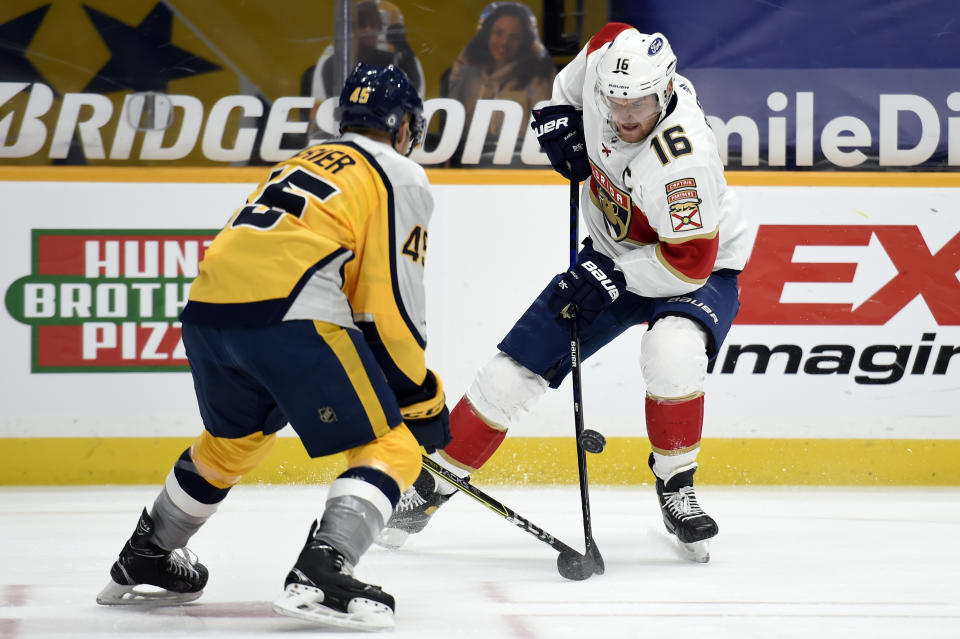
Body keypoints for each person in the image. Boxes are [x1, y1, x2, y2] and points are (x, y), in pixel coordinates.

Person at [377, 24, 751, 563]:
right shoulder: (607, 70)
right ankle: (433, 485)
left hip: (697, 263)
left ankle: (675, 484)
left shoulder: (682, 162)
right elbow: (609, 34)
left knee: (672, 352)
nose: (624, 117)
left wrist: (614, 280)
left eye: (639, 105)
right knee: (513, 369)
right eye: (615, 102)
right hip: (615, 249)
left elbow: (687, 264)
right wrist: (557, 115)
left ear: (666, 91)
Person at [95, 63, 449, 632]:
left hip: (209, 313)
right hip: (291, 315)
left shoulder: (301, 159)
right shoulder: (399, 173)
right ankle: (324, 568)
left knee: (231, 444)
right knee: (393, 443)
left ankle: (148, 553)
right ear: (405, 124)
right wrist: (418, 395)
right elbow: (389, 303)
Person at [308, 1, 425, 139]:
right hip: (346, 134)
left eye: (373, 25)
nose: (368, 30)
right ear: (353, 30)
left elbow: (413, 87)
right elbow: (340, 108)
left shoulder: (392, 61)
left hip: (385, 134)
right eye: (362, 25)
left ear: (380, 29)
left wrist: (404, 48)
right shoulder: (334, 64)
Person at [446, 2, 556, 138]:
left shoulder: (539, 80)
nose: (504, 42)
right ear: (487, 35)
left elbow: (546, 139)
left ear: (524, 41)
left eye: (514, 37)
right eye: (499, 33)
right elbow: (452, 131)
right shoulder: (467, 75)